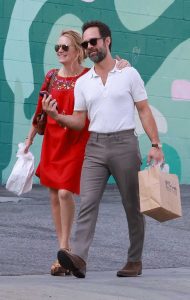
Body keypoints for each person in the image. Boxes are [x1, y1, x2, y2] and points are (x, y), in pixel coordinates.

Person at [43, 20, 164, 279]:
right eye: (85, 44)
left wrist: (155, 144)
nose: (89, 47)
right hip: (95, 146)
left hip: (125, 145)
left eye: (93, 42)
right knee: (87, 203)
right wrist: (57, 116)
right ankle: (79, 259)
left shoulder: (128, 74)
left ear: (107, 41)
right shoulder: (84, 82)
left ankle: (134, 261)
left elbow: (143, 110)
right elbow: (78, 120)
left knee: (132, 206)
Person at [24, 28, 129, 276]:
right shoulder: (51, 76)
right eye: (57, 48)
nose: (59, 51)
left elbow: (112, 71)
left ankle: (66, 250)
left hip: (77, 142)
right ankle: (63, 250)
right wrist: (28, 140)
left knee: (64, 193)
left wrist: (123, 64)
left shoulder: (89, 75)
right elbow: (39, 112)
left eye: (64, 48)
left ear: (77, 51)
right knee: (53, 195)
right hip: (52, 142)